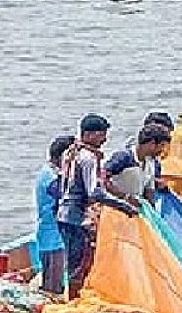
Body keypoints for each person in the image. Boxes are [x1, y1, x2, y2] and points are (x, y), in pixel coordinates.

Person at [57, 114, 137, 299]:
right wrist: (123, 206)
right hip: (76, 216)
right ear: (90, 135)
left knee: (71, 262)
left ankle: (71, 297)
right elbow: (94, 193)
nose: (105, 139)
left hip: (63, 214)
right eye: (102, 135)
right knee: (79, 265)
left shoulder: (70, 152)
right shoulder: (88, 158)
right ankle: (74, 301)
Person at [35, 135, 75, 296]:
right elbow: (64, 200)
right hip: (53, 234)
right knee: (53, 284)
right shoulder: (52, 178)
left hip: (48, 232)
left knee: (51, 278)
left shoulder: (48, 172)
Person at [105, 124, 172, 207]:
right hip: (115, 208)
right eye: (162, 146)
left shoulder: (151, 163)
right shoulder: (124, 157)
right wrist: (125, 197)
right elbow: (103, 178)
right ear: (152, 143)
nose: (162, 150)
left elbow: (149, 191)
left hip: (134, 209)